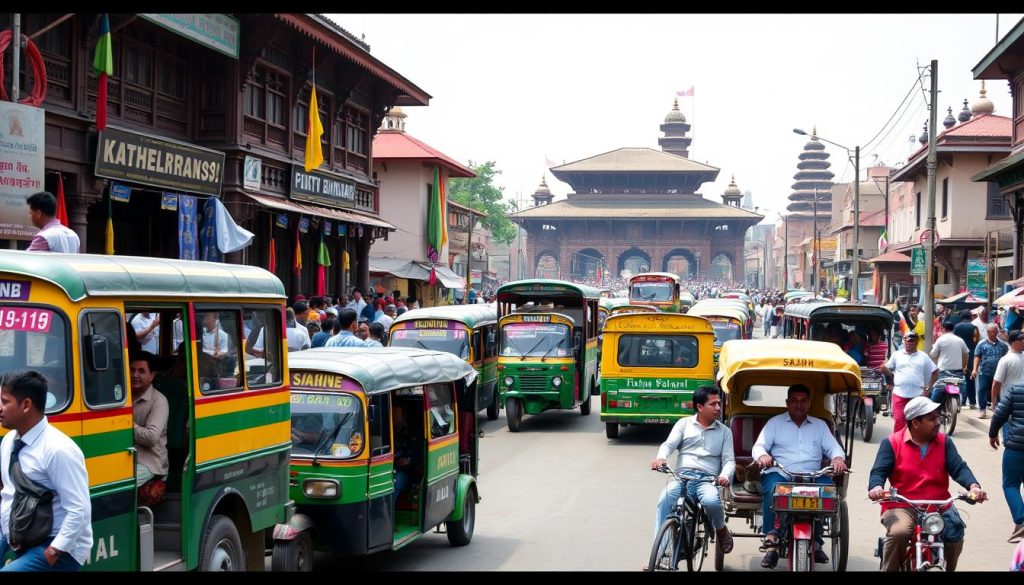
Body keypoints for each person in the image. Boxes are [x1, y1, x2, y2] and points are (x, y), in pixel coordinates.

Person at [868, 396, 987, 572]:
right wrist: (876, 487)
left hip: (939, 505)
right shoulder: (892, 443)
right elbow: (878, 472)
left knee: (955, 532)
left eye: (938, 417)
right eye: (932, 419)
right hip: (902, 505)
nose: (938, 422)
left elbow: (959, 468)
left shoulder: (944, 442)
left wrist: (973, 486)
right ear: (915, 422)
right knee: (899, 533)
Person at [0, 370, 92, 570]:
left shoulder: (59, 449)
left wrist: (55, 549)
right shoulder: (8, 441)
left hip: (53, 544)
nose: (0, 408)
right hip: (16, 533)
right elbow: (8, 492)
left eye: (4, 402)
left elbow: (79, 509)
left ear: (26, 405)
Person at [752, 384, 847, 569]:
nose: (799, 405)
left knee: (828, 491)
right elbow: (759, 446)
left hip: (813, 475)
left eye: (803, 401)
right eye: (794, 401)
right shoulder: (775, 423)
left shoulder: (819, 426)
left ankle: (817, 540)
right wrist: (763, 455)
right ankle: (772, 539)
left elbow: (834, 447)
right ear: (787, 403)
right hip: (782, 473)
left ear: (809, 403)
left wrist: (837, 458)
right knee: (772, 488)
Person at [649, 387, 735, 555]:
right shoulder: (684, 424)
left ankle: (721, 529)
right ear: (699, 407)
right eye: (713, 404)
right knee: (665, 499)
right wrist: (661, 458)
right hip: (681, 477)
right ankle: (657, 555)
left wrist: (724, 475)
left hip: (707, 480)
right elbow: (669, 444)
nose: (718, 407)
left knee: (711, 501)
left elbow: (729, 460)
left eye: (719, 403)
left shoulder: (725, 432)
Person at [877, 331, 939, 435]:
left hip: (917, 395)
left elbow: (935, 372)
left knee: (917, 423)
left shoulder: (923, 356)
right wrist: (884, 369)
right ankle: (898, 446)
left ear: (916, 342)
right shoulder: (897, 355)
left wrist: (929, 387)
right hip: (899, 394)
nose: (908, 342)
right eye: (906, 340)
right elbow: (888, 370)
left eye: (911, 340)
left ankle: (915, 445)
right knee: (899, 421)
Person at [989, 374, 1024, 544]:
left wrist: (993, 434)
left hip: (1016, 447)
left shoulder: (1015, 389)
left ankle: (1021, 521)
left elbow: (999, 414)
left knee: (1010, 484)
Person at [129, 353, 169, 493]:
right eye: (132, 370)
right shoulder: (123, 396)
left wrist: (124, 424)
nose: (135, 375)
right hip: (125, 458)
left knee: (119, 486)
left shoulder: (159, 401)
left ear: (152, 375)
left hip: (149, 462)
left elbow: (151, 437)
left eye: (141, 371)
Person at [929, 319, 969, 404]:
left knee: (935, 393)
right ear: (953, 329)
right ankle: (962, 402)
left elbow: (933, 355)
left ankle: (931, 409)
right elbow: (966, 354)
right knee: (962, 388)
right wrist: (963, 366)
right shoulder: (959, 340)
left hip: (944, 372)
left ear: (943, 328)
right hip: (958, 372)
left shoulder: (941, 339)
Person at [974, 323, 1009, 419]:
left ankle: (997, 409)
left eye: (993, 331)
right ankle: (982, 409)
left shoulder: (1003, 346)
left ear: (997, 332)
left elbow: (1006, 358)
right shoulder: (981, 344)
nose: (991, 333)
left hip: (998, 372)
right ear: (987, 332)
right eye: (989, 331)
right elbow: (977, 356)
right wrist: (974, 369)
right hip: (984, 372)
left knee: (997, 391)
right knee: (982, 390)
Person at [392, 403, 421, 499]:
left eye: (396, 415)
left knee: (395, 483)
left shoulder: (412, 432)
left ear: (404, 416)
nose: (393, 417)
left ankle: (386, 511)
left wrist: (409, 461)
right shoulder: (387, 431)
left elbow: (419, 453)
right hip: (388, 469)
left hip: (405, 472)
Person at [954, 309, 981, 410]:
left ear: (961, 316)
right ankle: (972, 402)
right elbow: (976, 340)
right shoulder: (974, 327)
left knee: (957, 379)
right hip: (970, 355)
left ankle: (960, 401)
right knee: (970, 379)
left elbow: (955, 340)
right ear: (970, 317)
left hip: (958, 354)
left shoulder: (956, 327)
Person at [994, 331, 1024, 410]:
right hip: (1009, 402)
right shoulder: (1005, 360)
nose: (1023, 341)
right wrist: (993, 404)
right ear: (1013, 342)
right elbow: (996, 383)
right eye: (1021, 339)